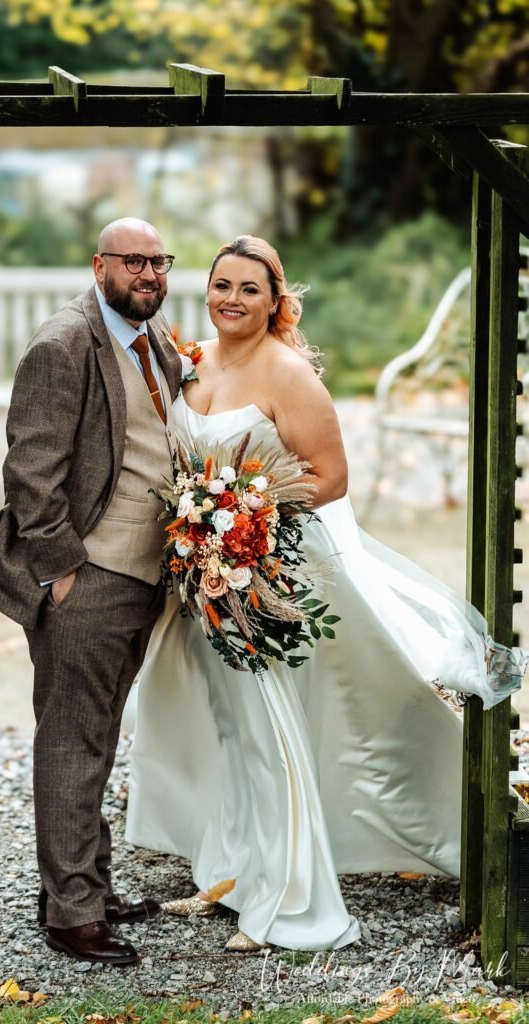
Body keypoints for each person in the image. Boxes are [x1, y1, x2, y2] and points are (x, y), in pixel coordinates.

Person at [125, 234, 527, 953]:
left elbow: (329, 476)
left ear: (276, 299)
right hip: (202, 570)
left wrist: (244, 511)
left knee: (262, 724)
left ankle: (290, 897)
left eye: (250, 288)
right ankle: (230, 873)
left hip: (264, 569)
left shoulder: (286, 375)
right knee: (224, 725)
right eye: (222, 284)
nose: (231, 299)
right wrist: (198, 521)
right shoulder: (196, 361)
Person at [0, 217, 182, 966]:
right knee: (73, 741)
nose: (149, 275)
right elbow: (30, 470)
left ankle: (83, 885)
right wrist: (62, 572)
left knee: (96, 738)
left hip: (142, 575)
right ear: (99, 264)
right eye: (134, 261)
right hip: (88, 579)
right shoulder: (63, 344)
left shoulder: (152, 337)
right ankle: (71, 915)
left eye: (159, 262)